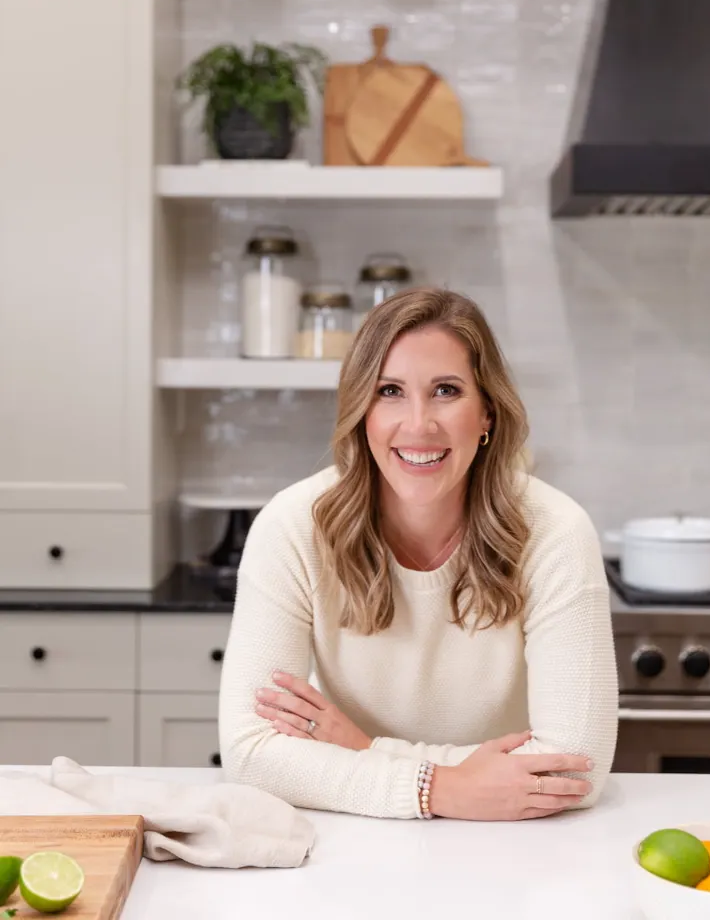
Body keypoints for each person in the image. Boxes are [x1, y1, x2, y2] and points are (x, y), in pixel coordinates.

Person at [218, 287, 618, 821]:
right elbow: (249, 753)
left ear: (488, 415)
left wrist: (364, 752)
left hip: (513, 842)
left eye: (447, 391)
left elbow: (574, 771)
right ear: (361, 411)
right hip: (354, 837)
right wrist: (443, 789)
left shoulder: (555, 532)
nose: (418, 424)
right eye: (389, 391)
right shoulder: (293, 527)